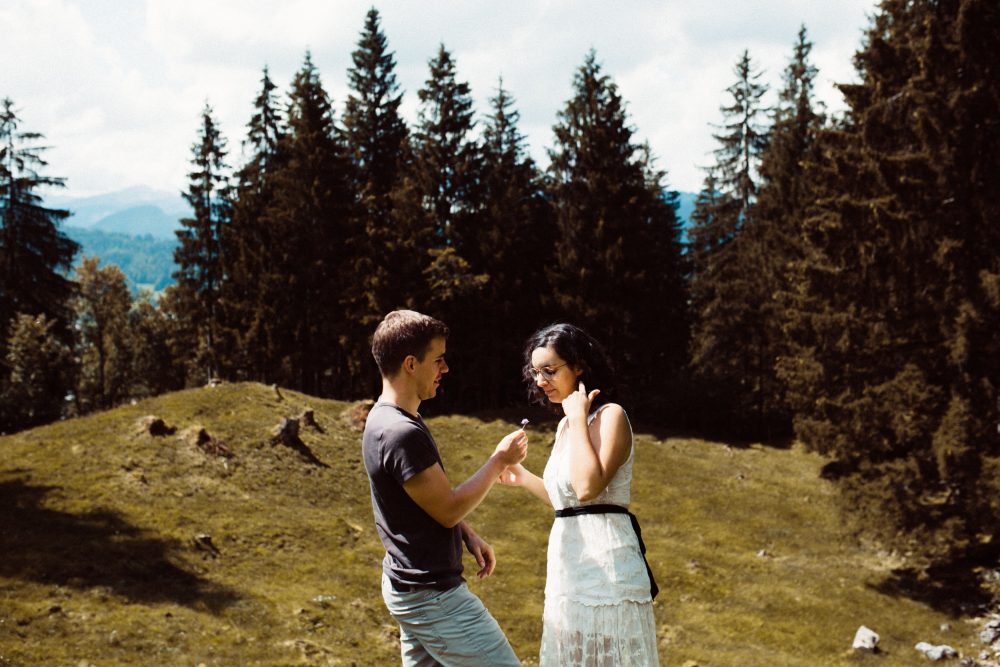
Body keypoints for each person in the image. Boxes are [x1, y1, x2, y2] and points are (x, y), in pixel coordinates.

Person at [362, 309, 528, 666]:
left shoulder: (387, 419)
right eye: (438, 360)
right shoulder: (400, 432)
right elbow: (449, 507)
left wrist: (465, 534)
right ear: (410, 363)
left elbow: (422, 502)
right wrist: (499, 459)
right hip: (432, 596)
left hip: (409, 588)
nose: (445, 369)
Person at [499, 323, 659, 666]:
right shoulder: (566, 425)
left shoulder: (610, 416)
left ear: (580, 366)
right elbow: (567, 502)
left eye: (549, 370)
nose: (541, 381)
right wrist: (522, 476)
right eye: (535, 372)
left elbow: (588, 488)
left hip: (607, 566)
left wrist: (577, 416)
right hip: (568, 564)